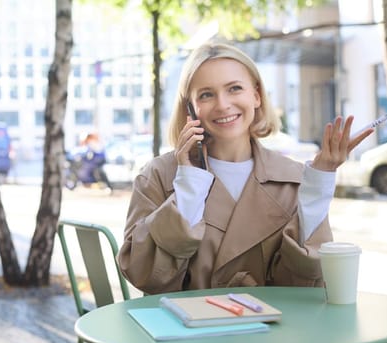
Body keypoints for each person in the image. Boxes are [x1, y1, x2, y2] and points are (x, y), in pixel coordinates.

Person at [117, 43, 372, 294]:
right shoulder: (158, 176)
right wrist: (189, 183)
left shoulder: (295, 180)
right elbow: (144, 275)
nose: (223, 104)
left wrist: (319, 182)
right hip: (187, 332)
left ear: (256, 95)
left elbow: (304, 286)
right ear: (190, 109)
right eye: (206, 94)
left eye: (234, 88)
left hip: (272, 331)